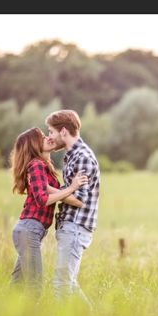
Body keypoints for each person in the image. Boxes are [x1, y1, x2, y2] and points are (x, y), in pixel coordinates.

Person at [8, 127, 87, 289]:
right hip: (29, 230)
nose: (48, 138)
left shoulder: (43, 166)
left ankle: (2, 312)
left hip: (29, 230)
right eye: (42, 138)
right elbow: (42, 200)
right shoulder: (36, 165)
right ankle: (30, 314)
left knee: (17, 284)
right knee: (34, 285)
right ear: (34, 145)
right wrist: (71, 188)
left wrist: (73, 198)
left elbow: (48, 191)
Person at [45, 110, 101, 303]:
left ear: (63, 132)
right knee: (69, 283)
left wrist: (48, 190)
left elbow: (79, 200)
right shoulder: (72, 155)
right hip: (70, 226)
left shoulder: (82, 156)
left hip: (76, 227)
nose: (49, 136)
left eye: (51, 131)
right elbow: (72, 191)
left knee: (62, 284)